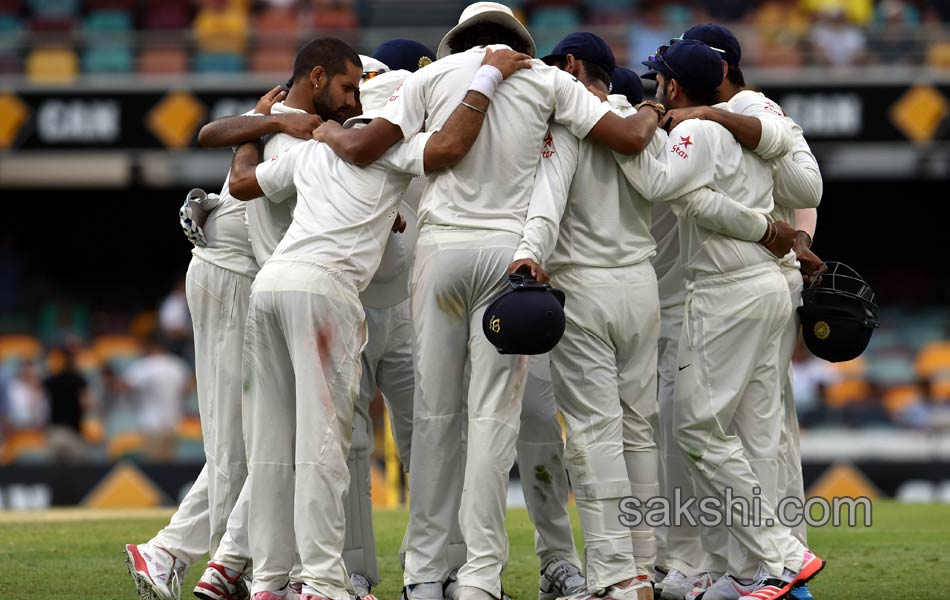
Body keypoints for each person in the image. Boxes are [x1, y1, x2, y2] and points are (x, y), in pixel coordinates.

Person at [310, 5, 664, 599]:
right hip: (509, 256)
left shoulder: (428, 78)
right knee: (494, 423)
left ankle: (424, 576)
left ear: (461, 40)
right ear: (517, 41)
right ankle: (480, 578)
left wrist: (318, 130)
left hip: (442, 252)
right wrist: (654, 105)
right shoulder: (546, 80)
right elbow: (627, 138)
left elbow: (369, 142)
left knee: (436, 420)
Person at [227, 45, 533, 600]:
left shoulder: (314, 151)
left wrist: (256, 125)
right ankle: (321, 582)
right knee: (323, 446)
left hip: (270, 287)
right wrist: (485, 82)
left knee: (271, 447)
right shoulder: (391, 150)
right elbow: (452, 144)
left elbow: (244, 183)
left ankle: (269, 583)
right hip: (324, 290)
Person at [618, 40, 824, 600]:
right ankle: (767, 574)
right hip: (768, 287)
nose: (655, 89)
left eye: (659, 82)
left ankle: (784, 553)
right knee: (757, 432)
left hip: (724, 291)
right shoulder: (749, 130)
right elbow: (790, 173)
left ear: (674, 87)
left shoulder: (694, 132)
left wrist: (637, 130)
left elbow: (660, 185)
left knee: (693, 428)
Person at [124, 38, 327, 600]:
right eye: (351, 85)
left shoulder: (281, 120)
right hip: (236, 277)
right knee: (242, 445)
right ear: (317, 78)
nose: (356, 98)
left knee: (257, 438)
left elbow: (215, 137)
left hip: (234, 274)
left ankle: (221, 564)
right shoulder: (294, 124)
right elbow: (224, 155)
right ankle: (174, 555)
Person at [125, 334, 191, 461]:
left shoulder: (143, 366)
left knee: (154, 468)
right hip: (172, 422)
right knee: (168, 466)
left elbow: (126, 387)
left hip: (151, 424)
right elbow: (187, 390)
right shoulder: (177, 365)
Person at [43, 348, 91, 462]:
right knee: (77, 470)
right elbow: (86, 403)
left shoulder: (51, 380)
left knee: (54, 472)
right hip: (73, 431)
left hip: (55, 431)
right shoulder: (78, 380)